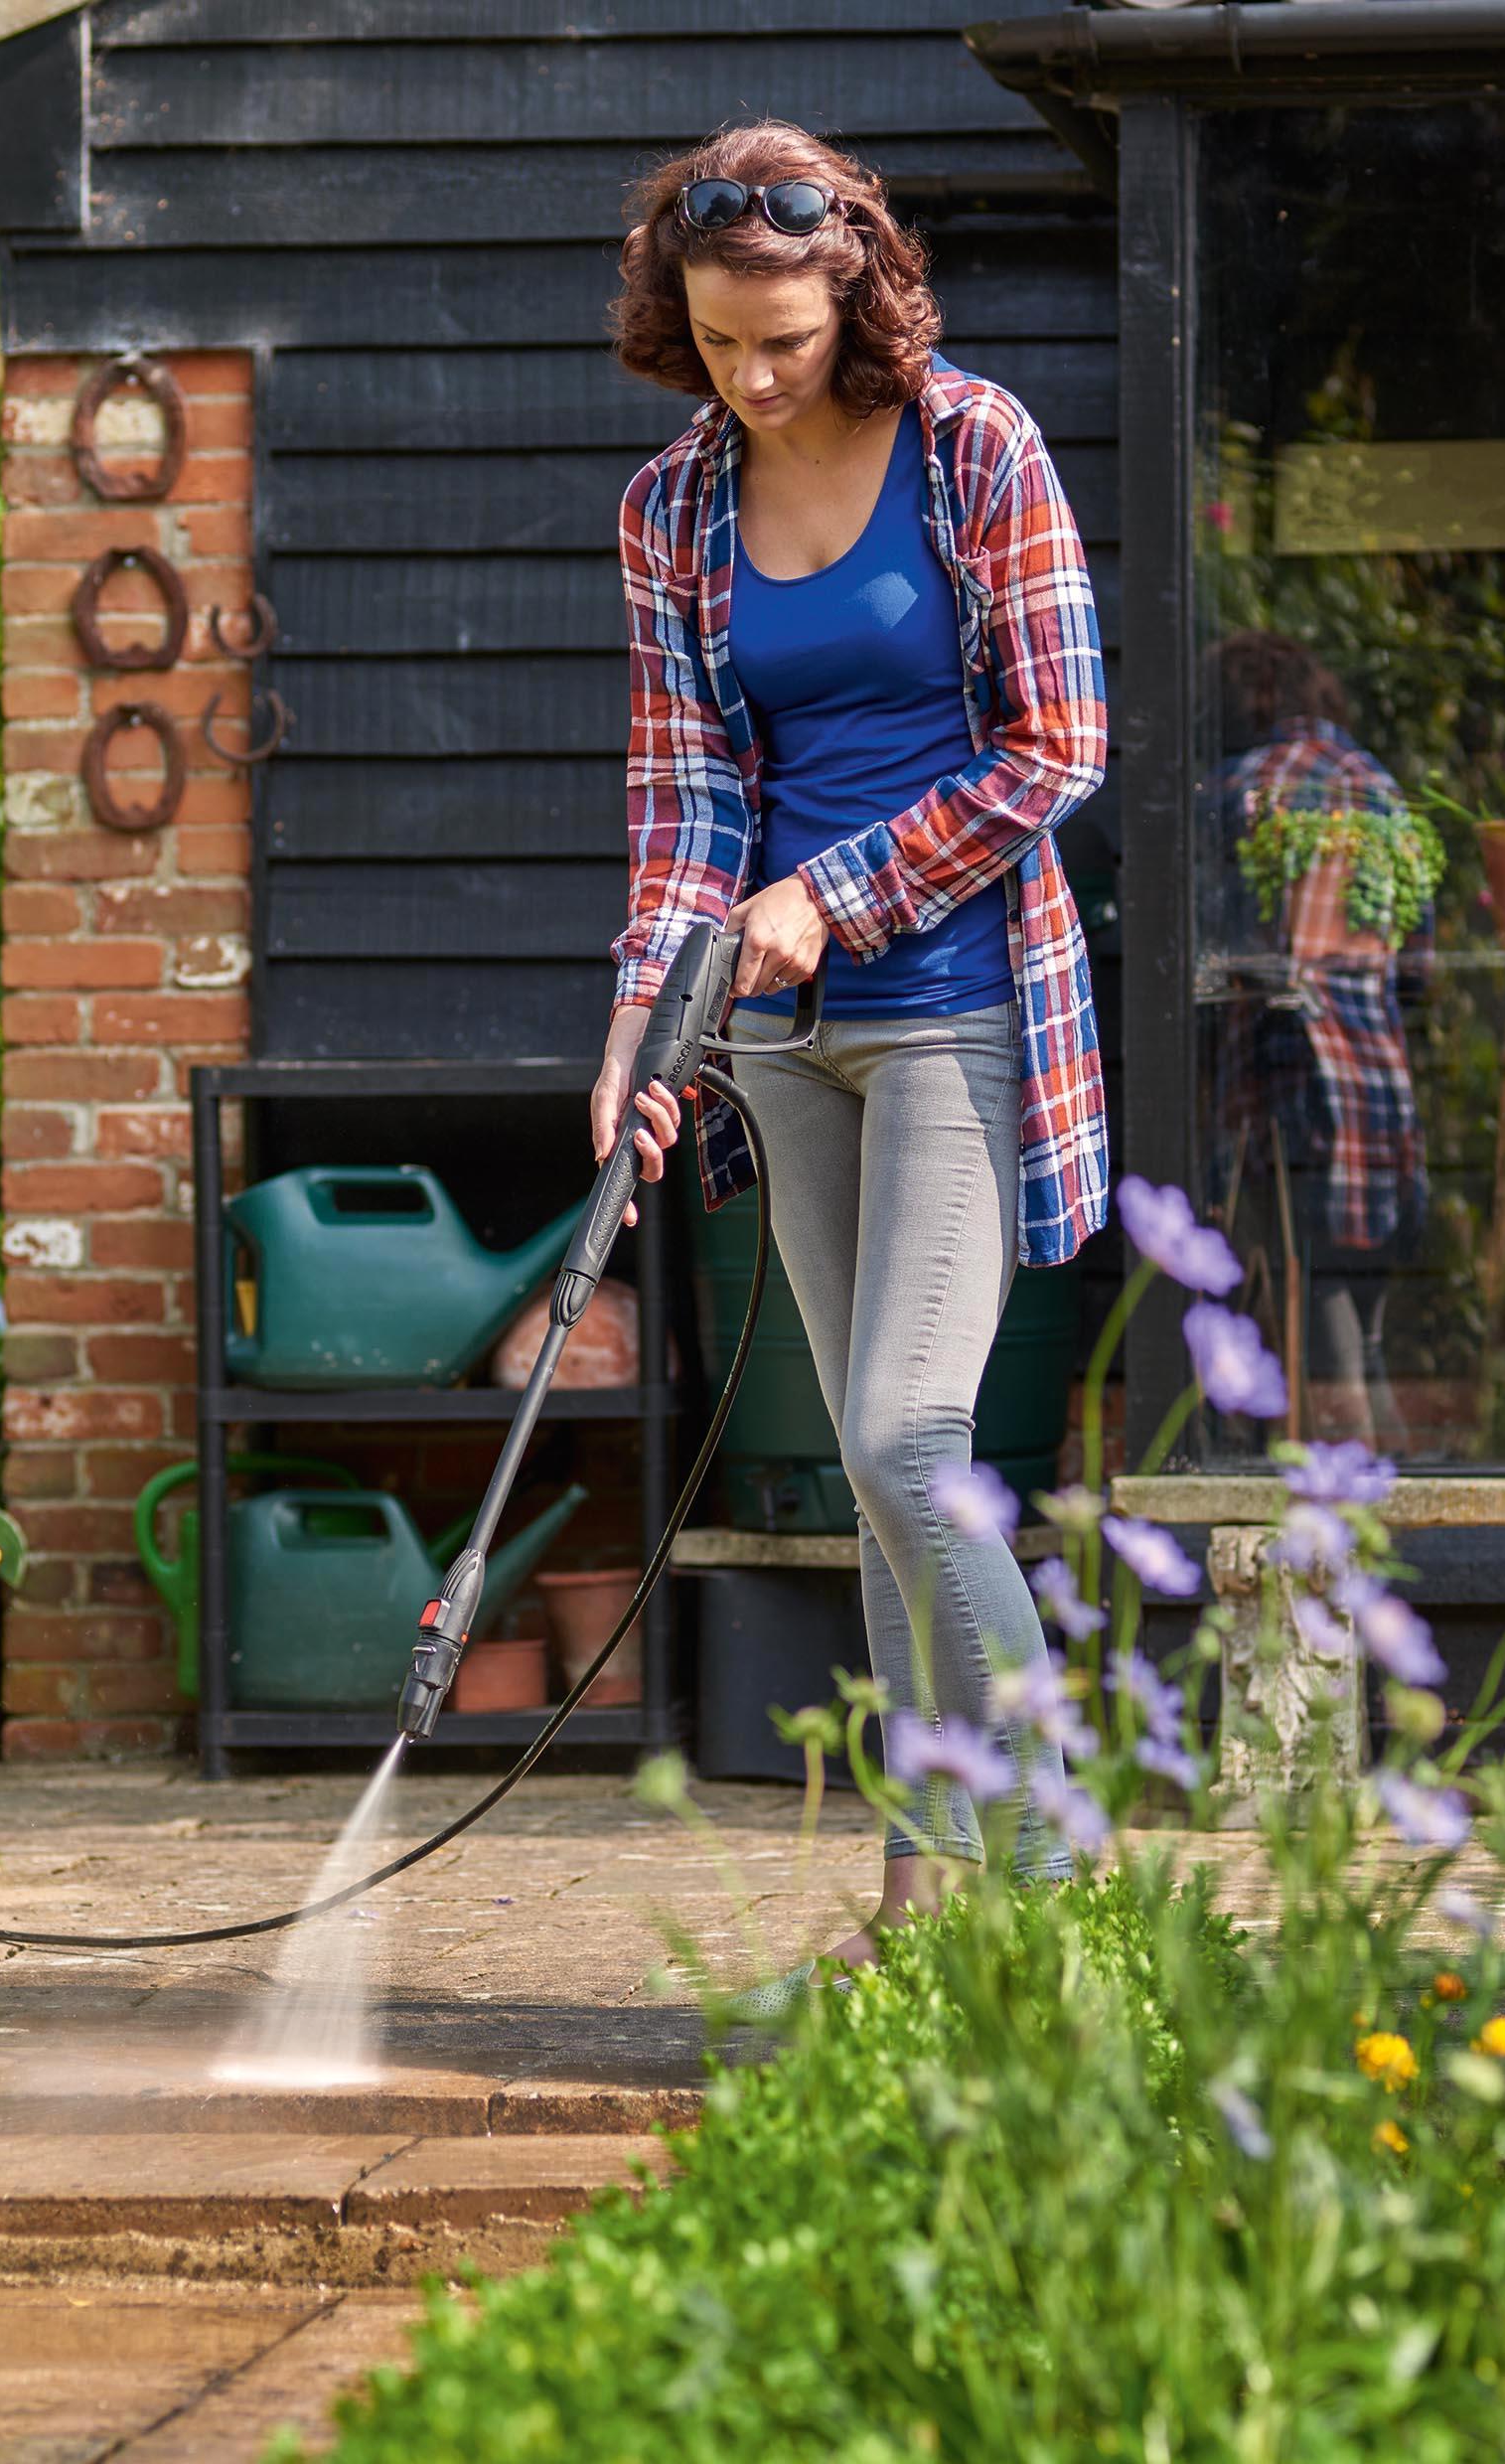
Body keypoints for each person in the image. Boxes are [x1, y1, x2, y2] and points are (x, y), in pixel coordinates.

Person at [589, 123, 1111, 1965]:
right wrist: (642, 1034)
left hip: (960, 1013)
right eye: (723, 342)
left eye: (787, 341)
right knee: (886, 1484)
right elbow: (687, 812)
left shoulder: (978, 449)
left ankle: (1057, 1863)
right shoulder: (671, 512)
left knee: (904, 1442)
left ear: (856, 293)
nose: (755, 374)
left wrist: (843, 898)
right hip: (781, 1051)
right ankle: (924, 1891)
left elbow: (1060, 746)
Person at [1204, 631, 1425, 1454]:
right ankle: (1389, 1478)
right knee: (1355, 1300)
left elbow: (1208, 948)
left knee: (1299, 1293)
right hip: (1371, 1065)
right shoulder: (1379, 788)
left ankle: (1352, 1485)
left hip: (1277, 1060)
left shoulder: (1236, 788)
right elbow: (1419, 956)